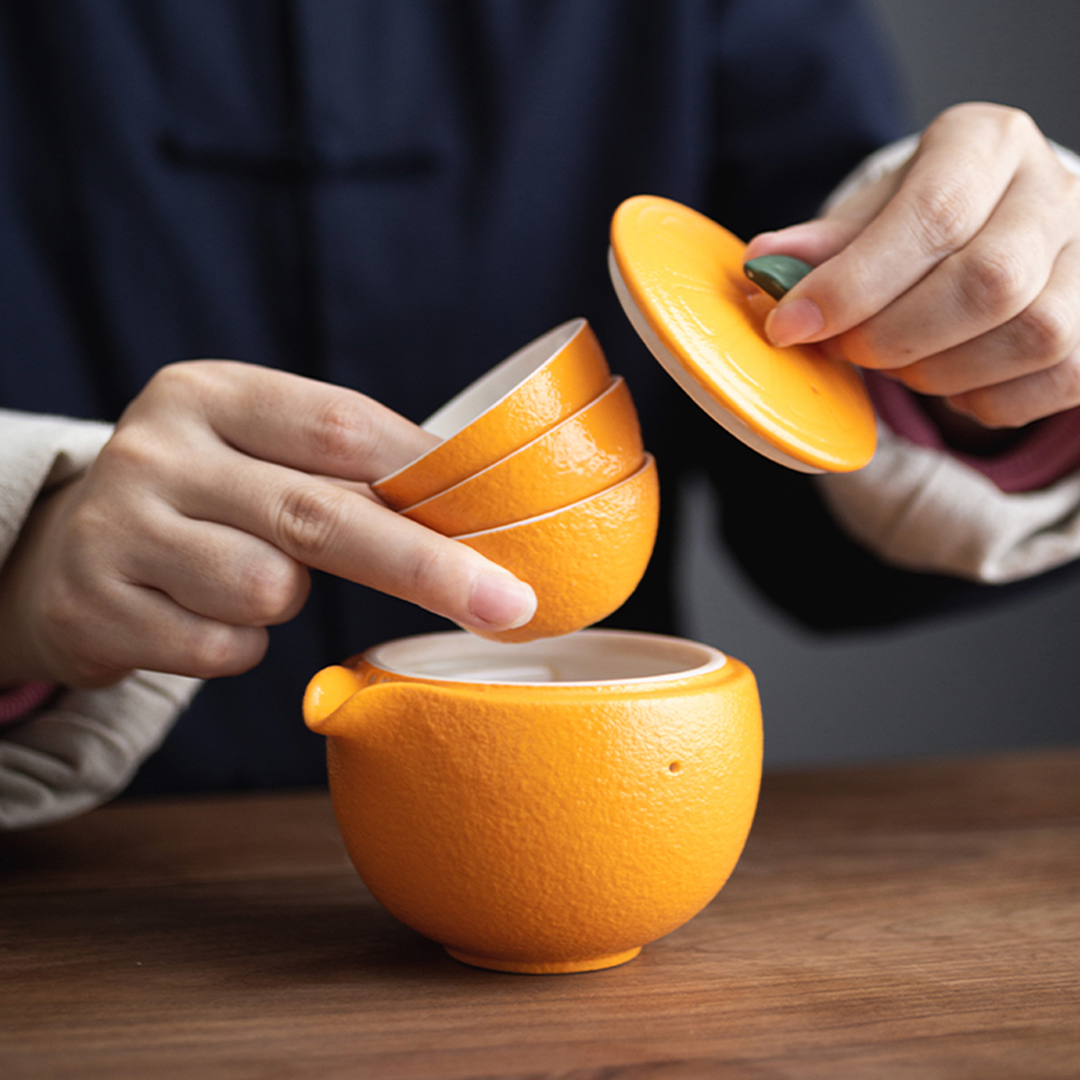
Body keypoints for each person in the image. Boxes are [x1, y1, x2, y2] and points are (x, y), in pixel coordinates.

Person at [2, 1, 1080, 828]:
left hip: (601, 804)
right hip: (82, 882)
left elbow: (804, 427)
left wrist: (988, 340)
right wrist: (24, 557)